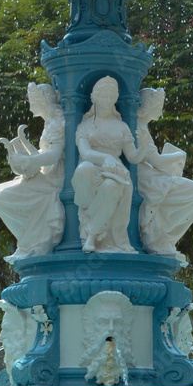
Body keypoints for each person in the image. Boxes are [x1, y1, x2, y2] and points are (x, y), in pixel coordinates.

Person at [0, 82, 65, 262]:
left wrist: (29, 160)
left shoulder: (57, 121)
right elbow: (46, 155)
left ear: (42, 101)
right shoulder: (51, 121)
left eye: (32, 101)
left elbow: (54, 156)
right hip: (47, 174)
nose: (30, 105)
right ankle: (29, 241)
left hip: (56, 179)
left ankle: (31, 242)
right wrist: (24, 155)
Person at [72, 76, 146, 253]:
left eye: (112, 96)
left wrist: (143, 146)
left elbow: (133, 157)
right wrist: (105, 158)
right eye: (104, 95)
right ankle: (89, 213)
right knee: (84, 169)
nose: (108, 99)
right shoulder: (85, 126)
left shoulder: (121, 127)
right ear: (94, 97)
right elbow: (85, 153)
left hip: (115, 172)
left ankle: (91, 235)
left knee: (111, 187)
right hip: (93, 167)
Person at [136, 87, 193, 262]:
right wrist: (179, 156)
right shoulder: (138, 128)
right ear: (149, 106)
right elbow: (157, 161)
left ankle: (162, 239)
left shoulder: (142, 127)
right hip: (144, 178)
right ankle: (154, 237)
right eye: (159, 105)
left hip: (151, 174)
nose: (161, 109)